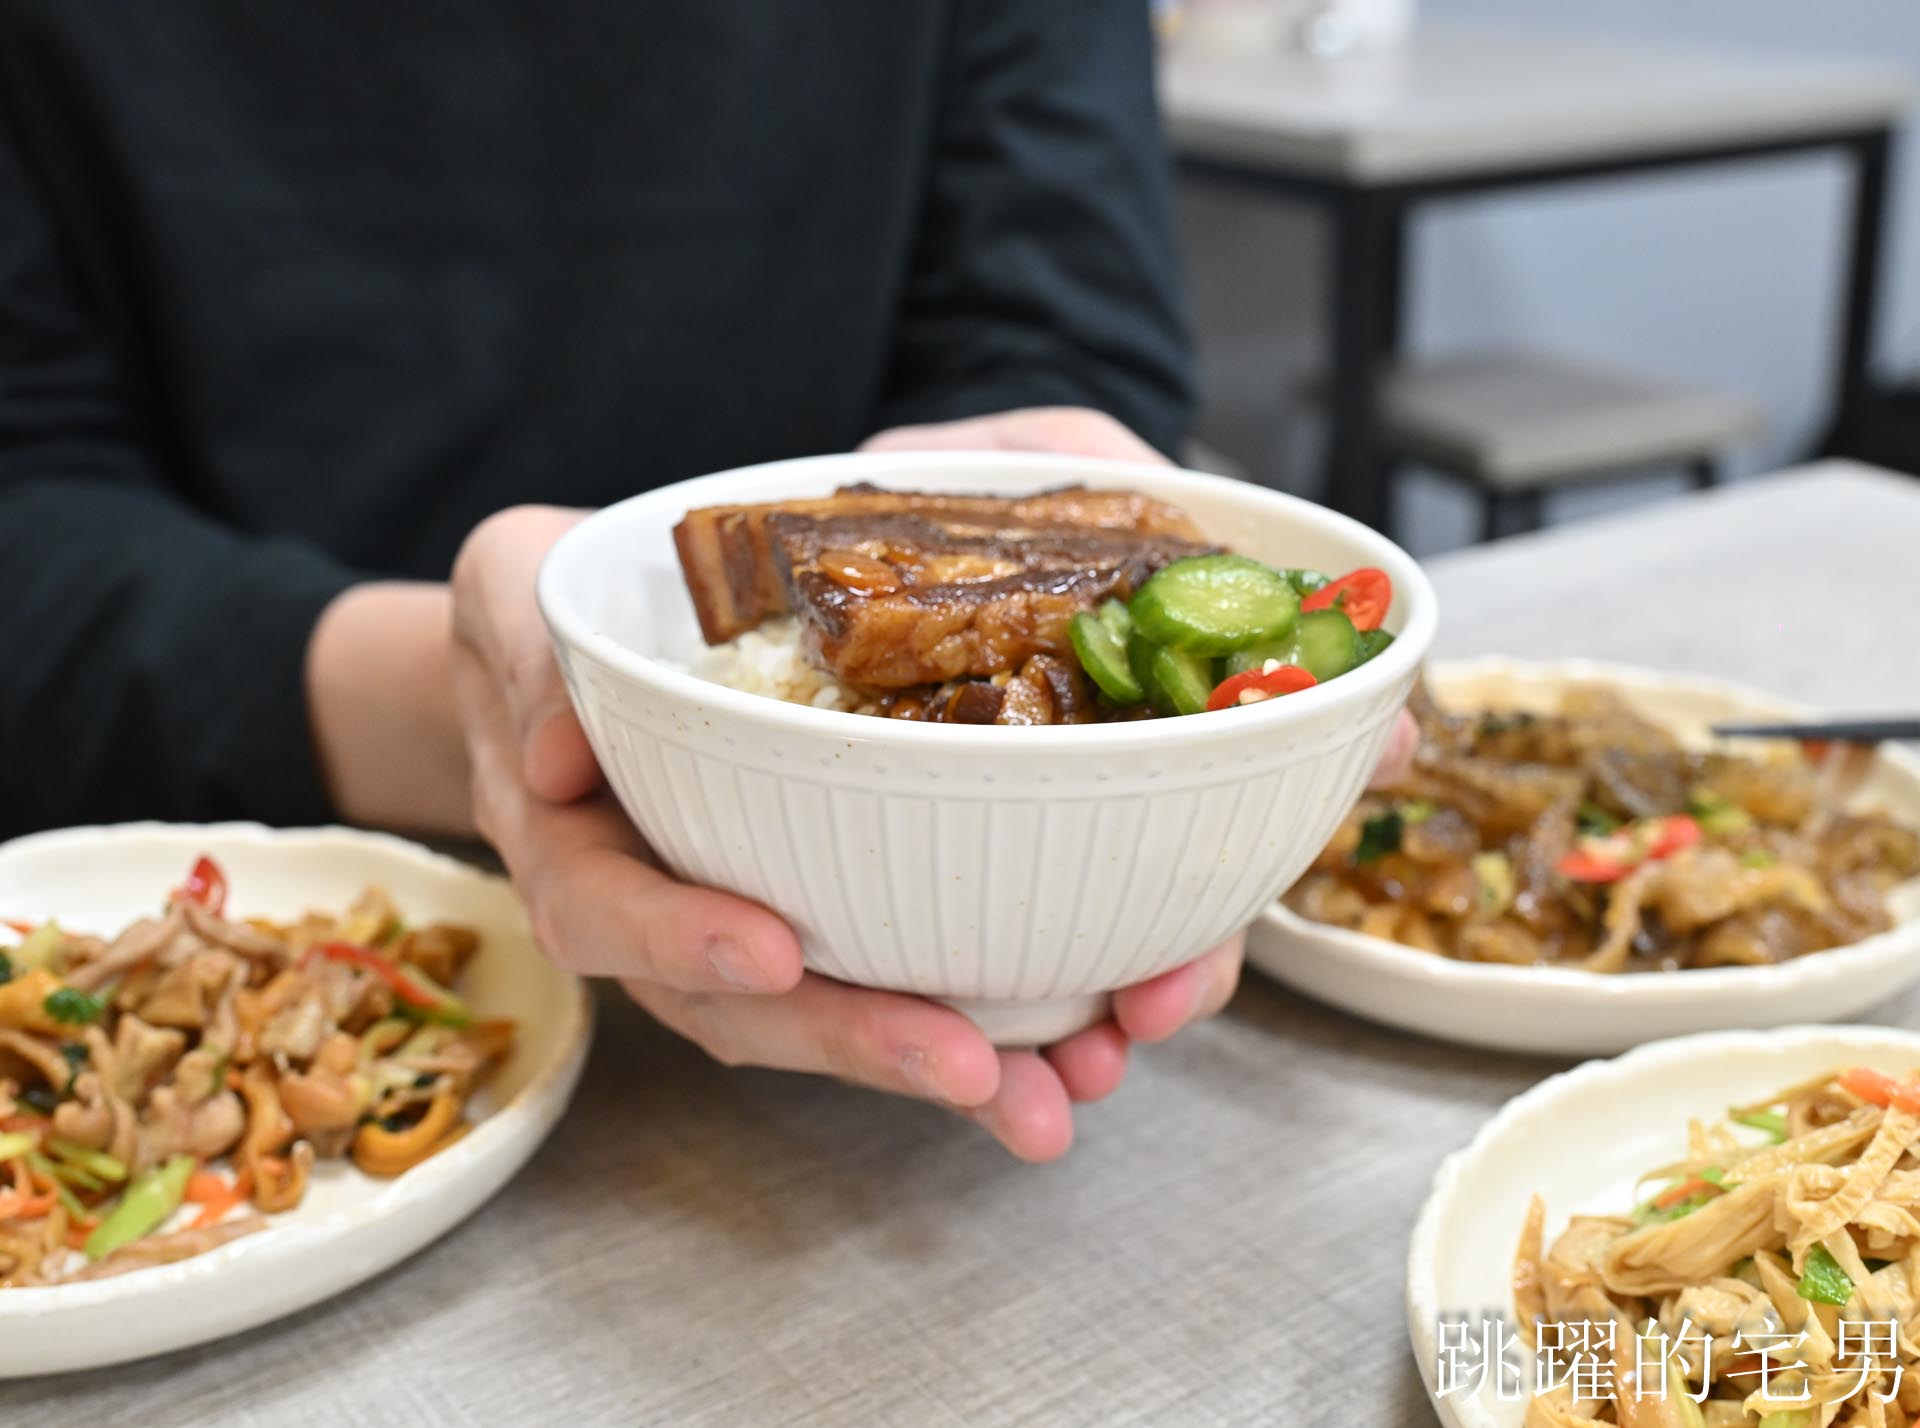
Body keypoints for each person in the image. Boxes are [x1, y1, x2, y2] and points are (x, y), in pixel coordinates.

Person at [0, 2, 1413, 1160]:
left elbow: (1058, 316)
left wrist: (1022, 510)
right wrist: (504, 710)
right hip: (229, 892)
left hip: (968, 935)